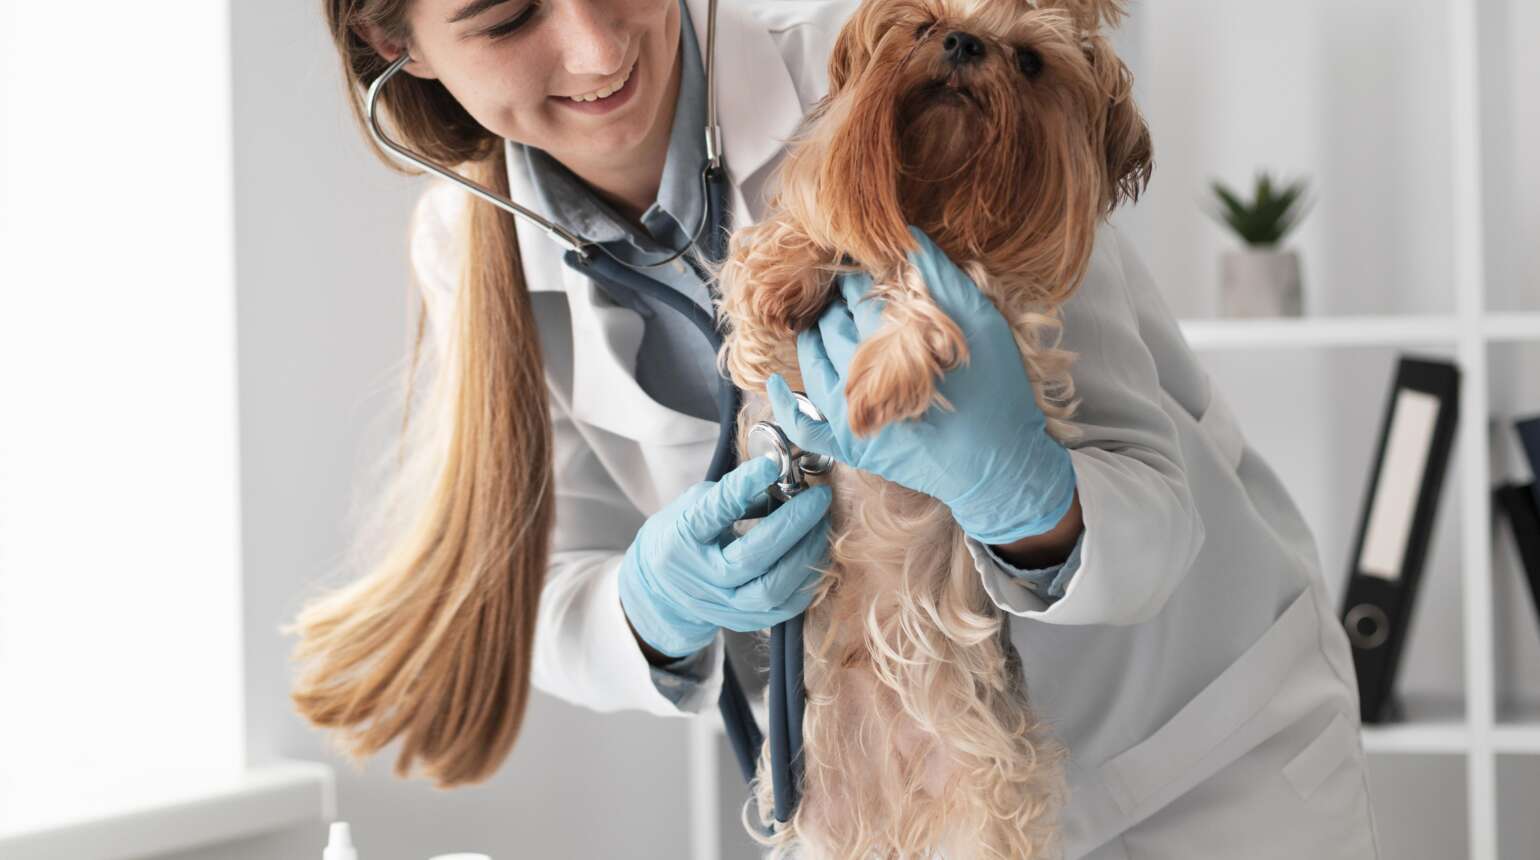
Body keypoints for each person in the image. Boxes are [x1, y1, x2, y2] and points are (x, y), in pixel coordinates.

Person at [288, 0, 1383, 856]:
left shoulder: (909, 56)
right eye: (507, 17)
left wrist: (1025, 493)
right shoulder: (466, 245)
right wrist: (653, 601)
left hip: (1188, 767)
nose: (592, 47)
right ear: (400, 41)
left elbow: (1157, 511)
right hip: (898, 803)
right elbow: (543, 583)